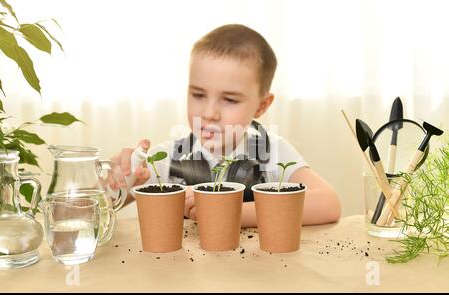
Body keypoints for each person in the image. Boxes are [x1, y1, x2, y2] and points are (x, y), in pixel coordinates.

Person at [112, 24, 341, 227]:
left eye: (230, 100)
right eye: (198, 95)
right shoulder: (168, 157)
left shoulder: (271, 151)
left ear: (261, 106)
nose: (209, 113)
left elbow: (328, 204)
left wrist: (232, 213)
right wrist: (117, 178)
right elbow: (103, 205)